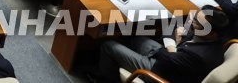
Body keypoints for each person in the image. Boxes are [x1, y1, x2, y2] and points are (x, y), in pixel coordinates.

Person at [96, 6, 229, 83]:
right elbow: (172, 28)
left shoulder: (200, 56)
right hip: (170, 59)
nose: (191, 23)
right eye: (194, 19)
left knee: (109, 45)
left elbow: (165, 56)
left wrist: (173, 46)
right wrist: (174, 47)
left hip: (159, 72)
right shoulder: (210, 35)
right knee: (133, 36)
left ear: (212, 33)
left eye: (195, 23)